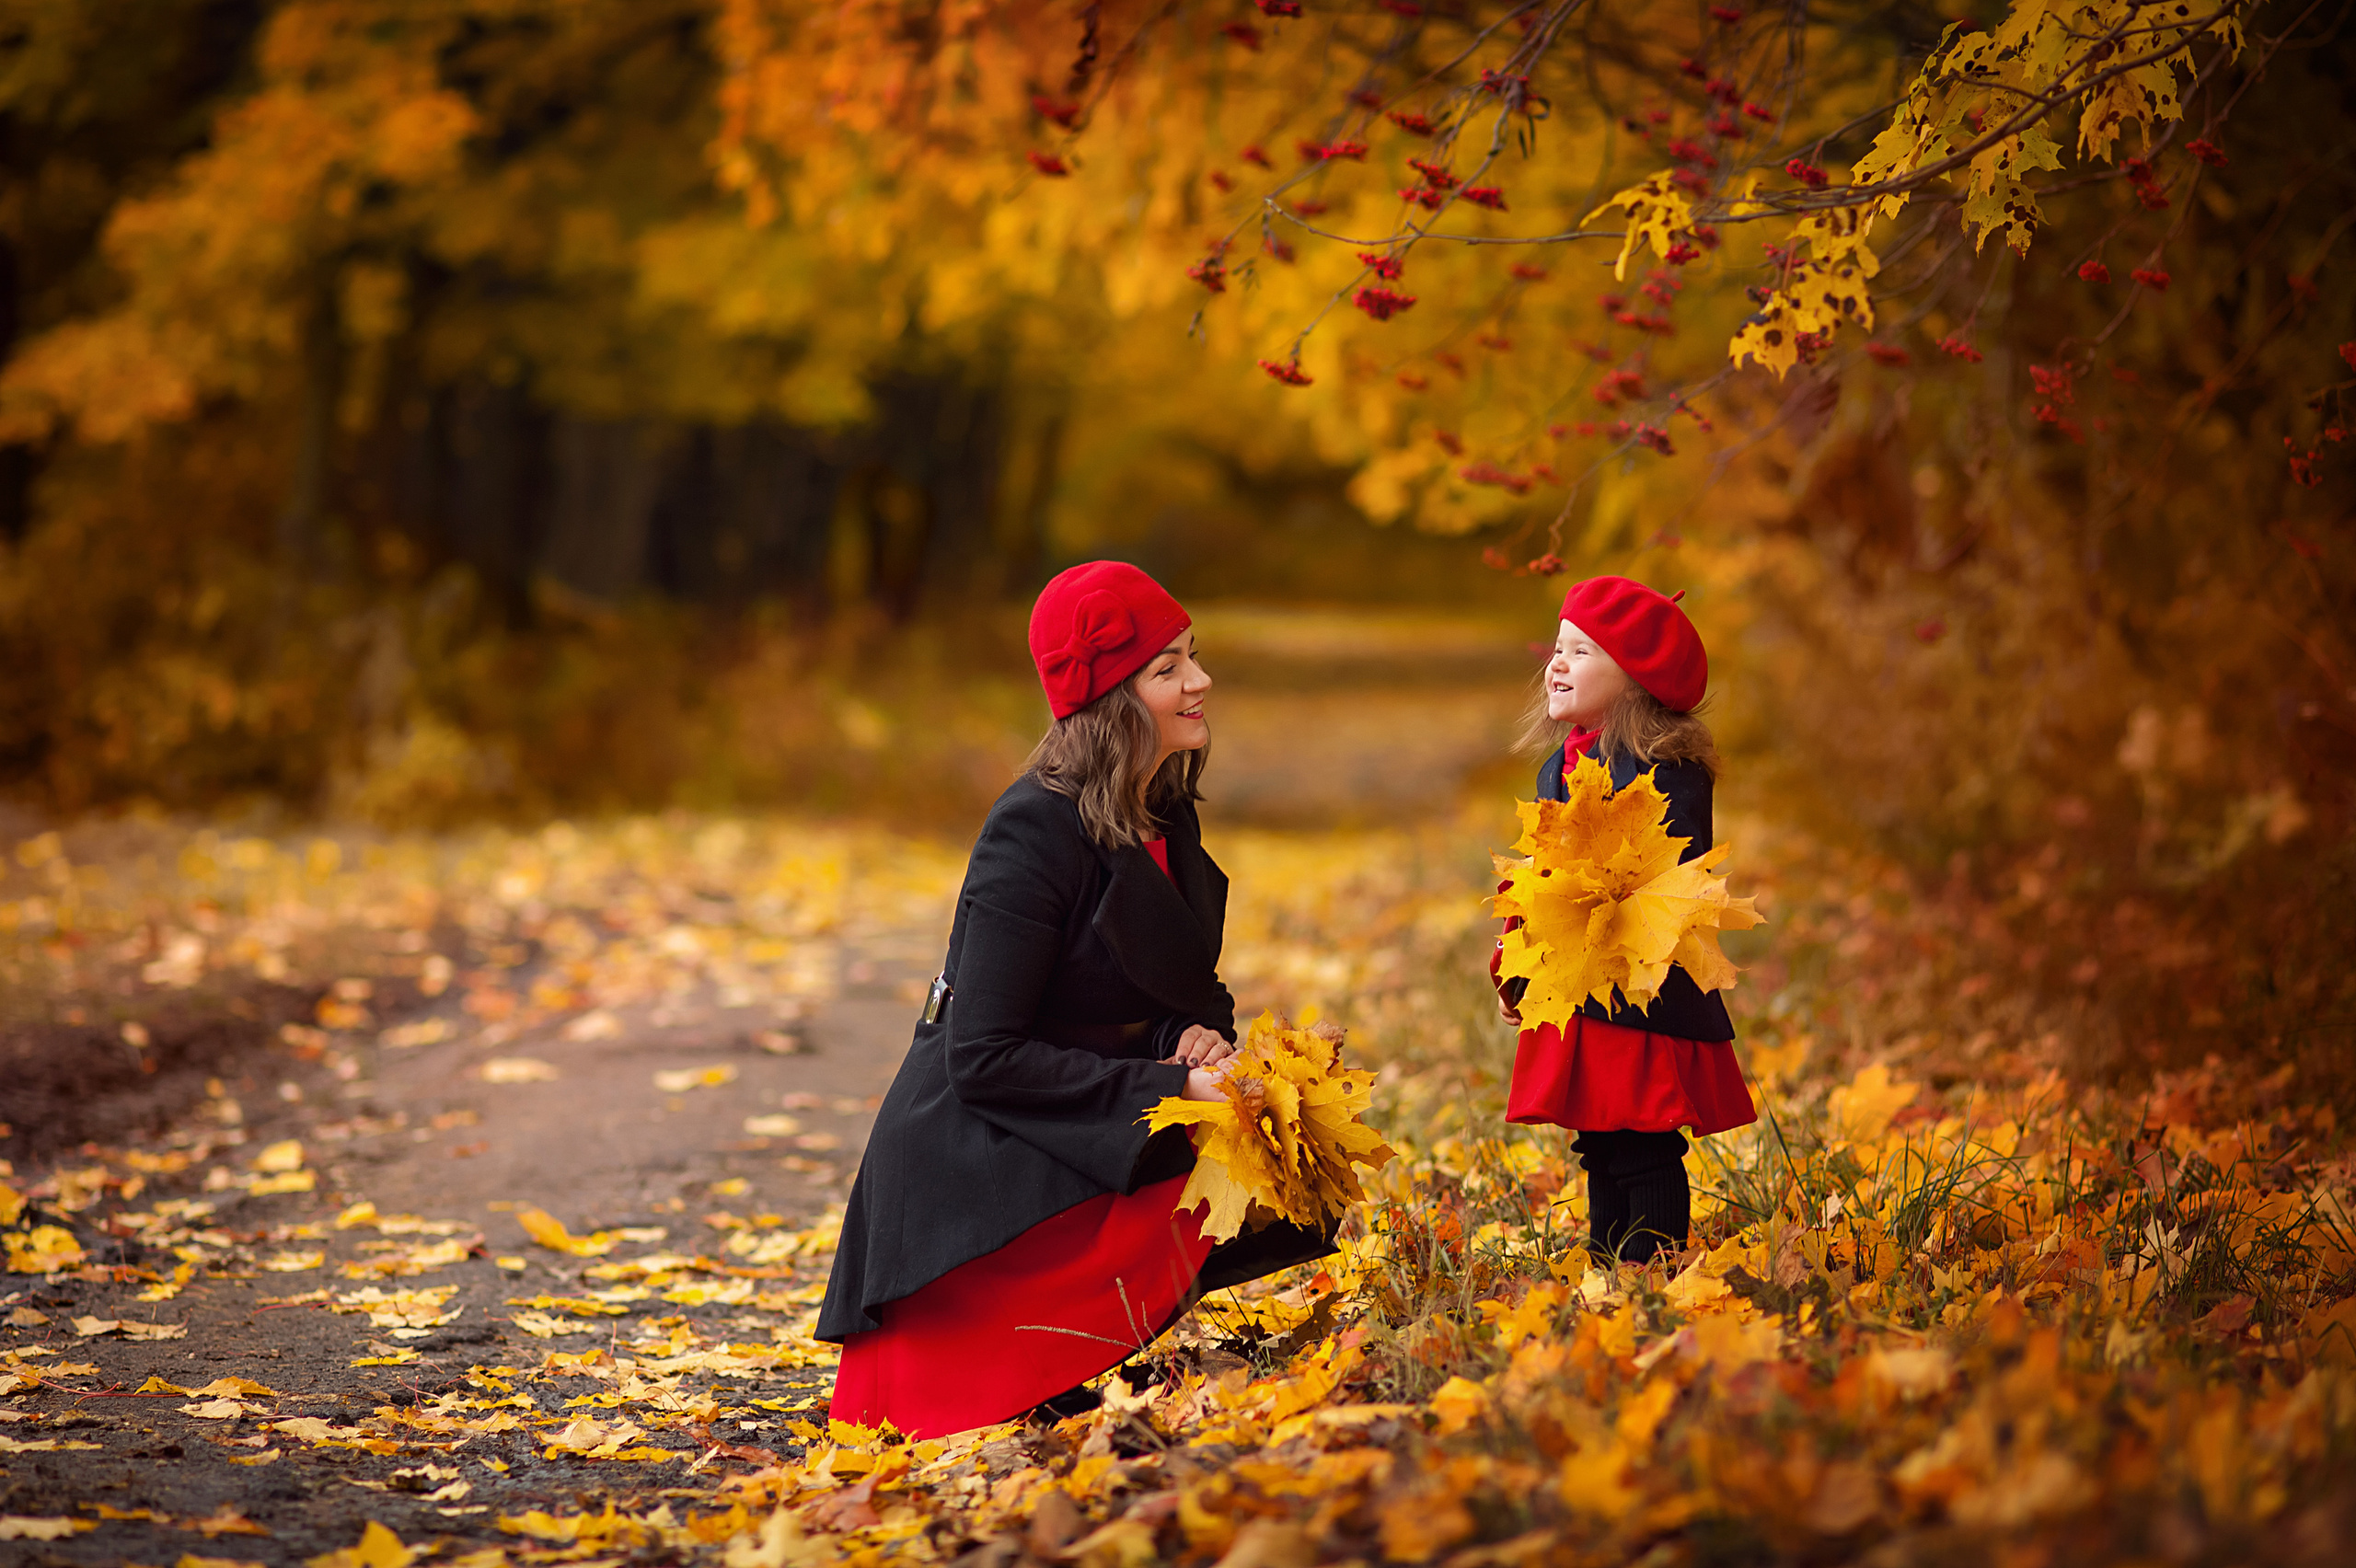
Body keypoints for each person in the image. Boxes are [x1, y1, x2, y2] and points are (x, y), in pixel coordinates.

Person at [819, 559, 1334, 1436]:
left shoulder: (1162, 806)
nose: (1200, 681)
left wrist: (1198, 1035)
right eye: (1168, 669)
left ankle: (1097, 1356)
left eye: (1193, 657)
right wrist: (1171, 1092)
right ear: (1109, 702)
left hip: (1068, 1112)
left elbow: (1180, 981)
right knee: (1205, 1124)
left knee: (1278, 1115)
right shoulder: (1032, 829)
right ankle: (1028, 1357)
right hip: (980, 1147)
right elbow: (981, 1056)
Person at [1492, 576, 1757, 1264]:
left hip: (1639, 994)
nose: (1556, 663)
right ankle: (1610, 1265)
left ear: (1637, 677)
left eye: (1581, 652)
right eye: (1558, 648)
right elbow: (1549, 873)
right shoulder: (1563, 764)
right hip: (1581, 984)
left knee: (1642, 1137)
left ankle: (1657, 1268)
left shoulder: (1669, 770)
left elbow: (1660, 876)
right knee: (1600, 1138)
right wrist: (1522, 942)